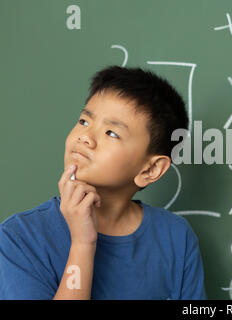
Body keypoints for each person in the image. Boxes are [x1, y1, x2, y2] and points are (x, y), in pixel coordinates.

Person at [0, 66, 206, 300]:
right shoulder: (20, 237)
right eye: (84, 121)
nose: (85, 137)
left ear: (150, 169)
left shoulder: (176, 237)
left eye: (111, 133)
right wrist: (82, 244)